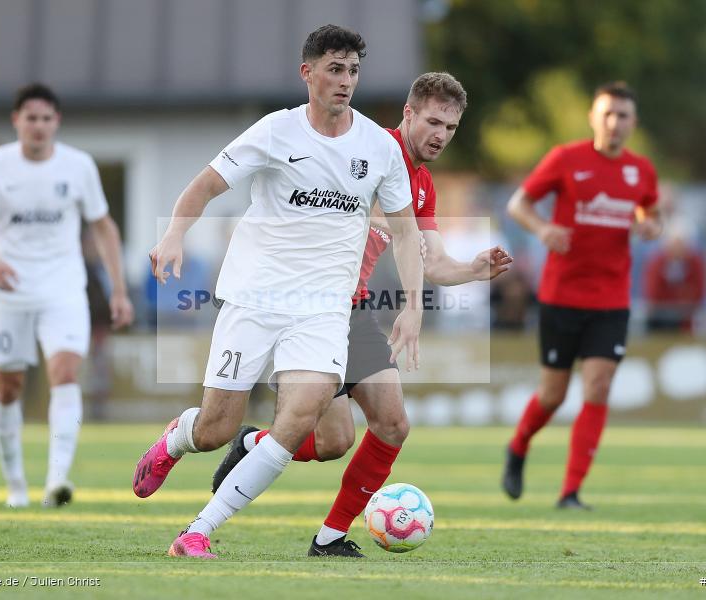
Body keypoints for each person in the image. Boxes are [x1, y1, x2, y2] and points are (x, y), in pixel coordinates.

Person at [131, 25, 424, 559]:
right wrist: (174, 233)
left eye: (353, 70)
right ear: (306, 73)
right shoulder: (274, 132)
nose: (346, 81)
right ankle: (178, 438)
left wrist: (412, 305)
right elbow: (204, 185)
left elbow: (406, 232)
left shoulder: (379, 148)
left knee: (298, 418)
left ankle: (198, 531)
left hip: (323, 311)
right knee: (217, 426)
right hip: (253, 297)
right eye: (335, 69)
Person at [208, 72, 512, 557]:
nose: (441, 135)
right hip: (309, 309)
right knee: (345, 435)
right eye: (433, 121)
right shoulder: (366, 149)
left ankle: (317, 526)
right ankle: (254, 465)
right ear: (408, 114)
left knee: (362, 434)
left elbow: (431, 260)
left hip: (354, 312)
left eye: (451, 128)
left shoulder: (422, 183)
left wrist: (473, 270)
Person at [0, 83, 134, 509]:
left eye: (46, 118)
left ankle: (57, 480)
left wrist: (119, 290)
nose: (38, 126)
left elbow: (103, 227)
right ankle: (16, 485)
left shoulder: (78, 166)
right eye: (30, 118)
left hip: (62, 289)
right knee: (8, 387)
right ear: (16, 120)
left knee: (66, 373)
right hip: (9, 292)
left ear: (57, 122)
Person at [501, 81, 662, 509]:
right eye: (607, 113)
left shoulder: (641, 170)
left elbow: (650, 210)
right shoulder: (565, 159)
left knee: (598, 387)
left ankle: (570, 492)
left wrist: (651, 225)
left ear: (633, 122)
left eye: (622, 115)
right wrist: (543, 229)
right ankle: (518, 447)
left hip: (611, 299)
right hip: (561, 296)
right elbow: (518, 204)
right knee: (553, 395)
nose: (614, 122)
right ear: (594, 117)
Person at [643, 221, 706, 332]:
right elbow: (652, 293)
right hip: (660, 321)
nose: (677, 249)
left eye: (680, 244)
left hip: (687, 321)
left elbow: (698, 292)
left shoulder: (695, 264)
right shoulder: (657, 263)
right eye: (674, 244)